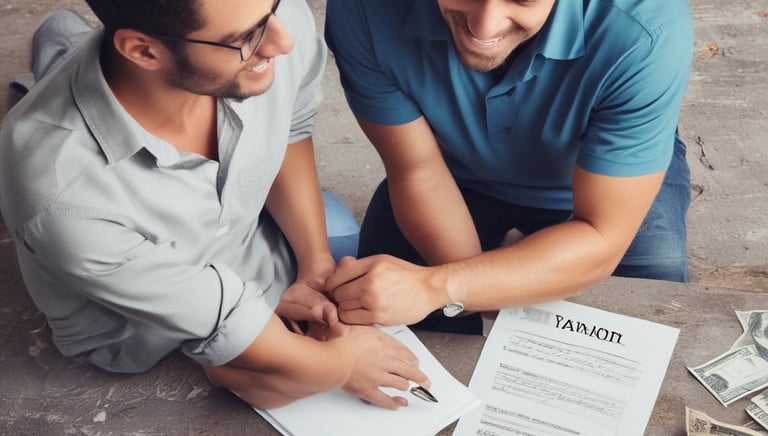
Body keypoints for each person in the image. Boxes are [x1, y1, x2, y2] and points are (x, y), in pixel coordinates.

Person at [0, 1, 427, 410]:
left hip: (243, 236)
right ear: (144, 50)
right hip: (137, 329)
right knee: (285, 378)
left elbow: (291, 125)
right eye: (245, 37)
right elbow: (225, 326)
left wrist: (314, 264)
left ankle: (65, 49)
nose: (283, 42)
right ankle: (56, 57)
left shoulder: (269, 18)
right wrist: (342, 365)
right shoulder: (61, 197)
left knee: (334, 227)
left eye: (273, 11)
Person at [324, 0, 694, 334]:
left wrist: (442, 286)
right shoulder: (362, 8)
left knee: (650, 320)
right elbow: (417, 170)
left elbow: (602, 233)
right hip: (449, 171)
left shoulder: (648, 30)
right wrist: (473, 291)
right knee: (373, 309)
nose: (484, 28)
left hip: (605, 180)